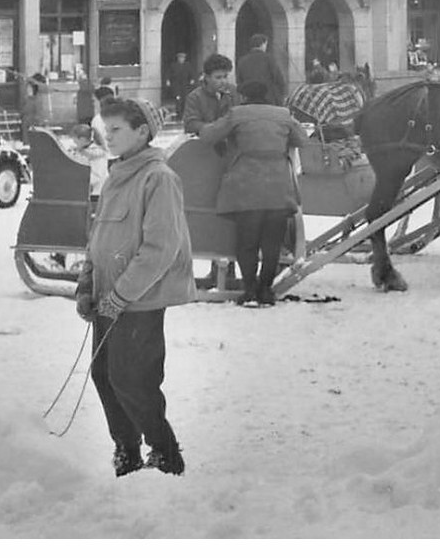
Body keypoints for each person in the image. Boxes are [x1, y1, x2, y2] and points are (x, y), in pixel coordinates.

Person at [75, 98, 194, 478]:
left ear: (142, 132)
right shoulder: (115, 176)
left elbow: (160, 249)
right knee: (104, 375)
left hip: (138, 301)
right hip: (107, 298)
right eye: (104, 130)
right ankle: (126, 449)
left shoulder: (158, 178)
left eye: (116, 130)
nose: (107, 137)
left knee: (133, 380)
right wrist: (86, 285)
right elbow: (99, 238)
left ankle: (164, 450)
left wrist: (121, 296)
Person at [195, 80, 308, 305]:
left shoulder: (237, 114)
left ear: (244, 97)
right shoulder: (283, 114)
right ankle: (266, 290)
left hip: (246, 185)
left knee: (247, 241)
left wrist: (199, 125)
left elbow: (208, 136)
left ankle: (249, 289)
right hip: (277, 186)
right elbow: (302, 139)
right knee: (272, 242)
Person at [181, 53, 235, 137]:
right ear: (207, 77)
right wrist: (215, 128)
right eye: (218, 77)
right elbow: (190, 124)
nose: (223, 81)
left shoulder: (233, 92)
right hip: (205, 143)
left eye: (225, 76)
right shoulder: (195, 97)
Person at [235, 34, 288, 103]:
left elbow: (239, 82)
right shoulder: (269, 59)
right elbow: (279, 80)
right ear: (263, 44)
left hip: (249, 100)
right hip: (268, 100)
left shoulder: (242, 61)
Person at [165, 53, 195, 120]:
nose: (181, 59)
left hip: (185, 86)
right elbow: (169, 73)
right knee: (178, 100)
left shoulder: (187, 65)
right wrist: (168, 80)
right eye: (180, 58)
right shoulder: (174, 65)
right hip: (177, 86)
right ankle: (179, 114)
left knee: (185, 100)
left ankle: (184, 114)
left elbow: (191, 73)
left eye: (183, 58)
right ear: (178, 58)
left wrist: (192, 79)